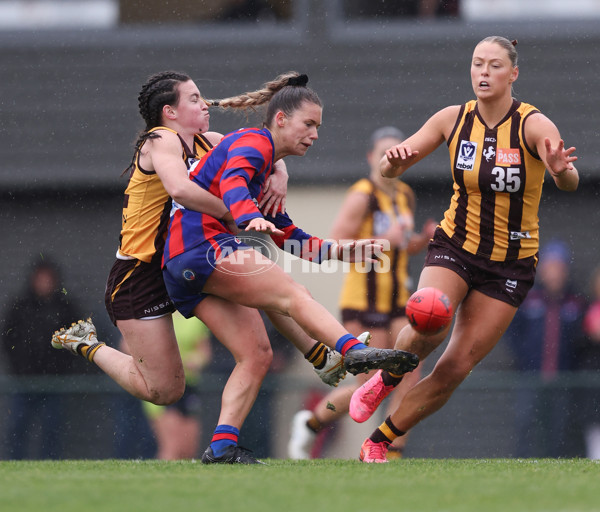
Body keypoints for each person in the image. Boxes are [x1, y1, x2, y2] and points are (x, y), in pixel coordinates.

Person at [51, 71, 351, 422]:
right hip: (139, 274)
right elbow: (179, 189)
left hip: (188, 258)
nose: (204, 102)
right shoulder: (161, 139)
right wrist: (236, 211)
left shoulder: (209, 141)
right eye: (193, 98)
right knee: (164, 390)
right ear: (170, 112)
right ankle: (88, 344)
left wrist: (279, 172)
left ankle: (320, 357)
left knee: (264, 291)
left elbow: (263, 145)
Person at [160, 71, 420, 464]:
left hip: (182, 267)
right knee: (293, 293)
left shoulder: (265, 162)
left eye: (318, 127)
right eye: (309, 124)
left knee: (257, 354)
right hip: (200, 247)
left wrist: (340, 251)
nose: (315, 135)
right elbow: (233, 182)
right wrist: (249, 217)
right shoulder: (254, 144)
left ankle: (222, 446)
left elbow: (288, 233)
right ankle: (350, 353)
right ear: (280, 119)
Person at [349, 36, 580, 463]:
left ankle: (380, 440)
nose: (483, 73)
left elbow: (569, 181)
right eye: (477, 64)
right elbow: (390, 165)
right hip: (456, 245)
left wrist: (563, 172)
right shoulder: (452, 119)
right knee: (430, 314)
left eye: (494, 65)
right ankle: (386, 375)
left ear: (513, 74)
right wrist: (393, 164)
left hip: (510, 264)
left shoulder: (533, 125)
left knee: (454, 367)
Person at [287, 126, 437, 460]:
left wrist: (423, 240)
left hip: (398, 297)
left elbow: (403, 245)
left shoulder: (404, 196)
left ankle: (391, 446)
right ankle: (312, 422)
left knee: (412, 367)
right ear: (372, 157)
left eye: (398, 151)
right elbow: (334, 241)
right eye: (385, 151)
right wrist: (387, 240)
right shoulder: (362, 194)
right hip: (362, 300)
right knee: (367, 385)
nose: (392, 157)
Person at [504, 239, 585, 457]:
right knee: (526, 421)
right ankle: (522, 462)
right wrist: (524, 358)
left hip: (563, 377)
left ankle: (556, 461)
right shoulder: (528, 298)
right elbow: (512, 332)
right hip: (530, 375)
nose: (554, 273)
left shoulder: (575, 302)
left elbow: (581, 339)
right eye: (550, 267)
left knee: (560, 425)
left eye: (559, 267)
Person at [1, 256, 85, 459]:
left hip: (54, 383)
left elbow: (80, 340)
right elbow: (7, 339)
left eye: (48, 279)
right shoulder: (20, 306)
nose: (44, 283)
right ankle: (14, 464)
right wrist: (19, 368)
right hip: (24, 382)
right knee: (18, 428)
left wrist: (63, 368)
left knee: (52, 429)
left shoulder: (66, 308)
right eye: (40, 278)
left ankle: (50, 462)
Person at [140, 311, 211, 460]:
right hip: (162, 384)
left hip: (188, 385)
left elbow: (204, 352)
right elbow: (128, 347)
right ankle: (158, 483)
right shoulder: (152, 315)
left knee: (188, 450)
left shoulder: (194, 316)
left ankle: (182, 483)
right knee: (172, 447)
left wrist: (196, 360)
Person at [575, 265, 600, 459]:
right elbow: (575, 342)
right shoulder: (584, 307)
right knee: (593, 424)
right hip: (591, 377)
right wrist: (590, 335)